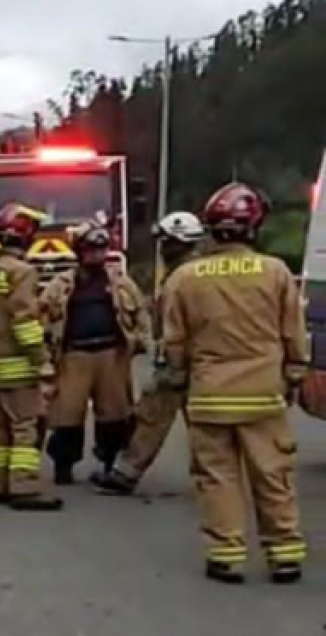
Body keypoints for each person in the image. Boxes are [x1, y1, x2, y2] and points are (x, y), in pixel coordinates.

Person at [163, 182, 309, 584]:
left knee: (217, 477)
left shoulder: (185, 279)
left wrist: (179, 378)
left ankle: (226, 555)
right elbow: (293, 334)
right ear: (253, 227)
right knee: (273, 474)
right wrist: (294, 375)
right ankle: (284, 555)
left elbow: (174, 341)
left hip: (208, 397)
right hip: (263, 394)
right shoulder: (275, 272)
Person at [94, 211, 205, 495]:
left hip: (180, 362)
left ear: (179, 243)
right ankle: (212, 478)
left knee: (152, 417)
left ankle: (125, 474)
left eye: (166, 243)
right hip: (201, 362)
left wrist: (169, 363)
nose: (163, 249)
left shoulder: (181, 277)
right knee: (202, 425)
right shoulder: (199, 273)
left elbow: (175, 325)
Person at [0, 203, 63, 511]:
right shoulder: (22, 273)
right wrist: (41, 359)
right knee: (24, 427)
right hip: (18, 366)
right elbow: (24, 320)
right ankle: (24, 487)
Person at [40, 220, 150, 484]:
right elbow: (42, 318)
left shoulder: (121, 284)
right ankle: (63, 466)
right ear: (79, 252)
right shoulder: (61, 285)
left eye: (101, 250)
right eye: (91, 250)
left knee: (115, 415)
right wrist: (44, 358)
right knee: (66, 416)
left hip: (111, 355)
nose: (97, 255)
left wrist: (143, 343)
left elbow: (142, 315)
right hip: (73, 355)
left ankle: (110, 463)